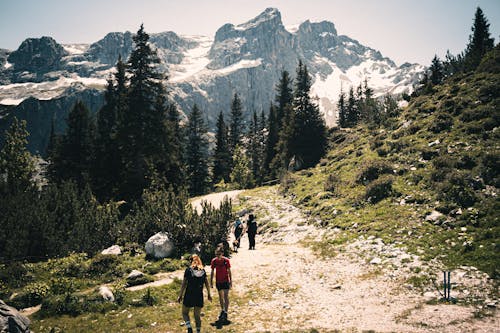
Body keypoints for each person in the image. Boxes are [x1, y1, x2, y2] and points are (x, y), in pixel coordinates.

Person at [178, 254, 212, 333]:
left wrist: (180, 295)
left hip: (189, 294)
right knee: (197, 316)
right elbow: (206, 283)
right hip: (199, 295)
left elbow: (184, 284)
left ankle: (189, 327)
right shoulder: (202, 271)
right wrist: (209, 294)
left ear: (190, 261)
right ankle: (198, 331)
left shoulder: (188, 270)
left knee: (185, 313)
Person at [210, 247, 232, 324]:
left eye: (219, 254)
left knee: (226, 296)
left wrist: (231, 281)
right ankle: (222, 309)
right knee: (220, 296)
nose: (218, 256)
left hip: (225, 280)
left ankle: (225, 311)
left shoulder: (226, 261)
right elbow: (212, 271)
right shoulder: (214, 261)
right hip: (218, 281)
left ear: (222, 253)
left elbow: (229, 271)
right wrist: (211, 282)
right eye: (216, 254)